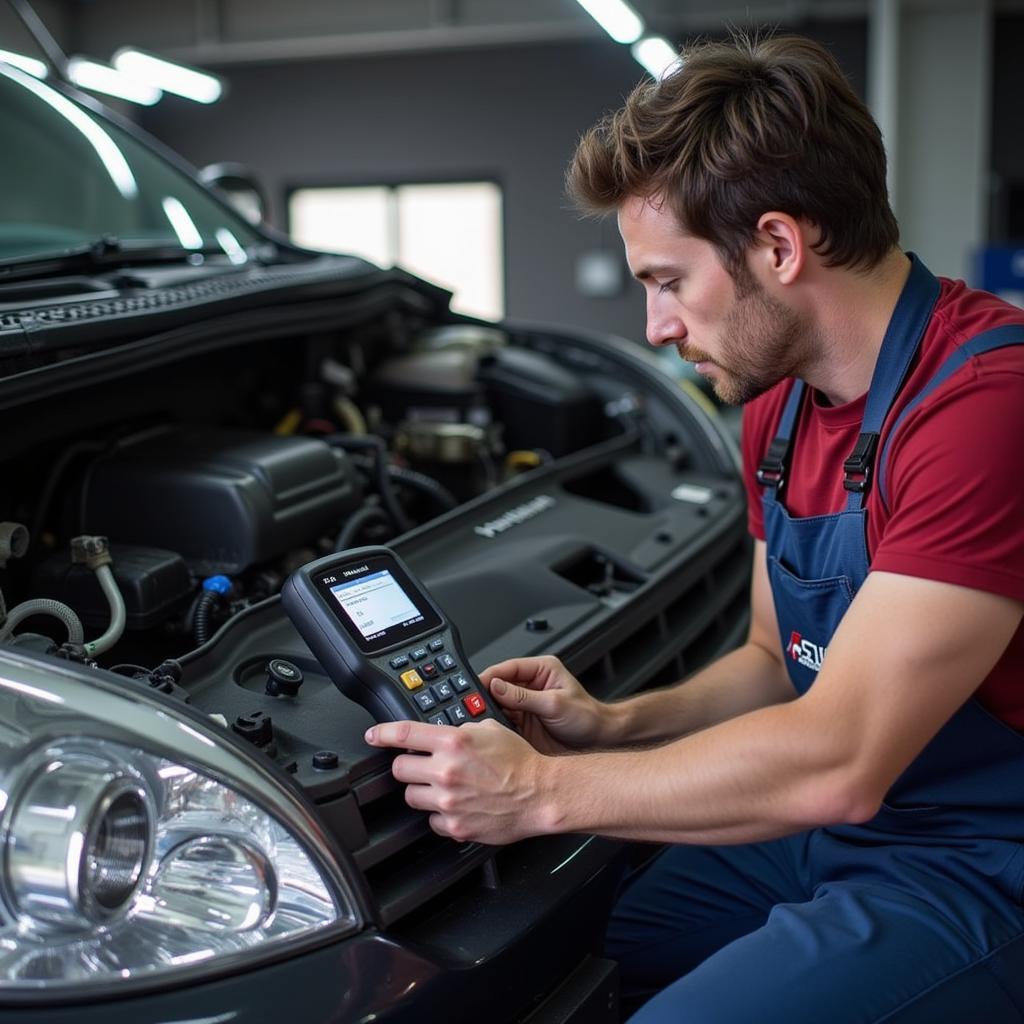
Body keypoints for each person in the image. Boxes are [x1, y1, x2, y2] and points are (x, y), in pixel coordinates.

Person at [365, 31, 1024, 1022]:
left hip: (982, 855)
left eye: (667, 280)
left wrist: (542, 790)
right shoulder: (780, 403)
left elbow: (838, 758)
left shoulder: (984, 407)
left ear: (776, 245)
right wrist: (614, 725)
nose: (655, 328)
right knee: (622, 936)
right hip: (859, 814)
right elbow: (771, 657)